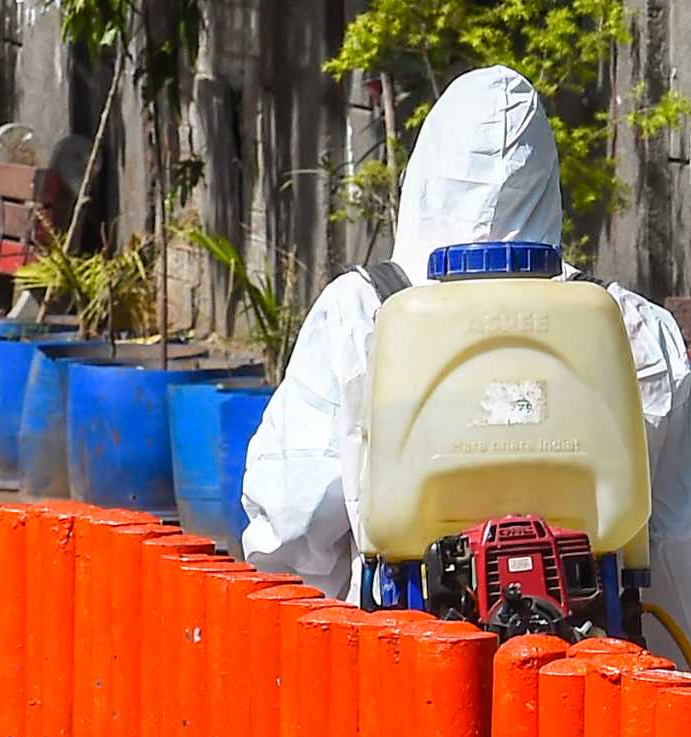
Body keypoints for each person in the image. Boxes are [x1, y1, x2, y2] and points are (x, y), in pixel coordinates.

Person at [241, 66, 691, 610]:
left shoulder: (361, 312)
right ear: (548, 186)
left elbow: (294, 518)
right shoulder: (634, 326)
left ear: (426, 175)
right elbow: (674, 539)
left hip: (403, 643)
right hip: (592, 647)